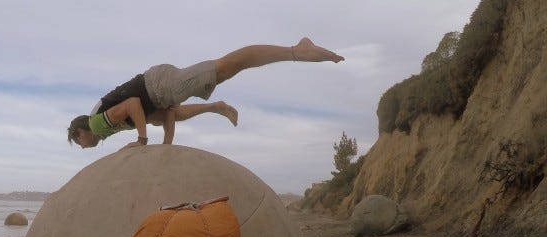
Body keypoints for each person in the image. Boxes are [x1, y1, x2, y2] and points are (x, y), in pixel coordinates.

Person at [67, 38, 344, 150]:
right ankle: (216, 107)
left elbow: (131, 104)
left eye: (78, 142)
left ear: (81, 132)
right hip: (159, 94)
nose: (82, 147)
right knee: (157, 117)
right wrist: (167, 146)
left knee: (222, 69)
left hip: (156, 85)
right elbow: (168, 113)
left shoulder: (95, 123)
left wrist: (141, 141)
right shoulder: (103, 125)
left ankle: (296, 50)